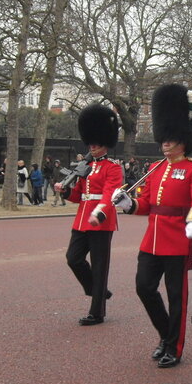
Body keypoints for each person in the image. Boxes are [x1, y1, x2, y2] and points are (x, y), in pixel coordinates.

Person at [111, 84, 192, 368]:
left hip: (178, 240)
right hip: (152, 240)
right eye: (163, 139)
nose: (165, 143)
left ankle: (174, 348)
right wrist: (128, 204)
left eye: (170, 139)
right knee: (144, 287)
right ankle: (166, 335)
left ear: (182, 140)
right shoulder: (155, 169)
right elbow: (147, 204)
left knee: (176, 297)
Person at [59, 104, 123, 325]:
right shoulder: (85, 166)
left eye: (96, 144)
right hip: (81, 219)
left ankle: (97, 312)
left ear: (105, 144)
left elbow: (109, 195)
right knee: (73, 259)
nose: (93, 146)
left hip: (101, 221)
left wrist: (99, 213)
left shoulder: (112, 168)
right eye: (91, 143)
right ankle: (99, 290)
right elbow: (79, 195)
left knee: (99, 266)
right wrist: (65, 190)